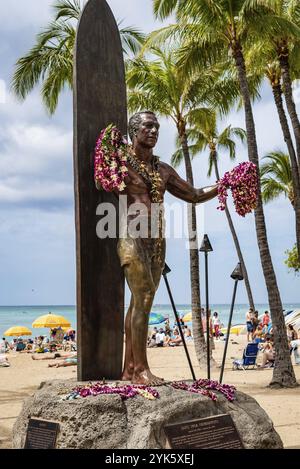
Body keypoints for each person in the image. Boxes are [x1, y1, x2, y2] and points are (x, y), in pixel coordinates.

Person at [109, 111, 218, 386]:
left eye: (157, 127)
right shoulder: (120, 164)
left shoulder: (163, 170)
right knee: (144, 297)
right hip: (130, 236)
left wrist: (224, 184)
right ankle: (142, 370)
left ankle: (129, 370)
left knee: (139, 301)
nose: (154, 131)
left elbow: (193, 194)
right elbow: (101, 183)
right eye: (148, 126)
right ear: (134, 130)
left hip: (157, 242)